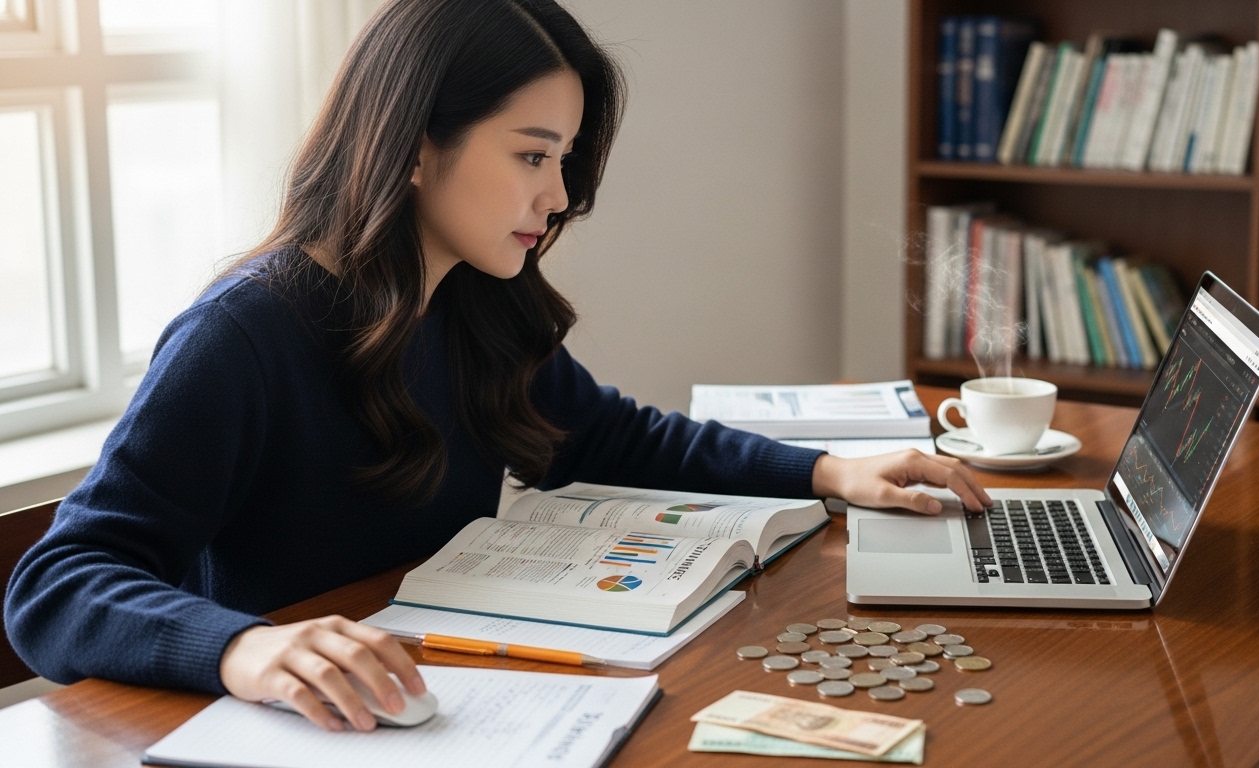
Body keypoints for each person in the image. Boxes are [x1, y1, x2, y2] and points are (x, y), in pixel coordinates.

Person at [4, 0, 990, 734]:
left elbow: (604, 435)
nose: (558, 195)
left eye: (562, 159)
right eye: (532, 155)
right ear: (416, 145)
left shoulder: (471, 301)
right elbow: (54, 584)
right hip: (316, 727)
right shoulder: (242, 336)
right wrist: (244, 645)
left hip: (446, 698)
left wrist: (830, 474)